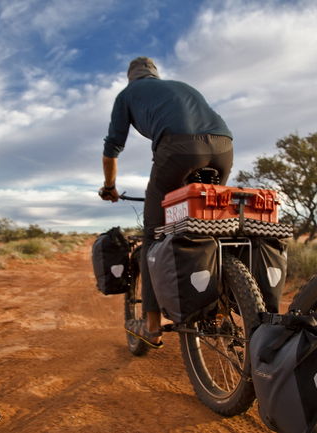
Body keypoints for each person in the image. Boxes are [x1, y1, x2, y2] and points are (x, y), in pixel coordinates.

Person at [99, 57, 233, 348]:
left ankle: (152, 326)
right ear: (155, 75)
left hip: (178, 148)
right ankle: (222, 309)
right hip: (224, 146)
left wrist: (110, 187)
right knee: (209, 223)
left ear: (131, 77)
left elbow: (112, 149)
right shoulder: (182, 86)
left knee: (153, 234)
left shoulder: (127, 95)